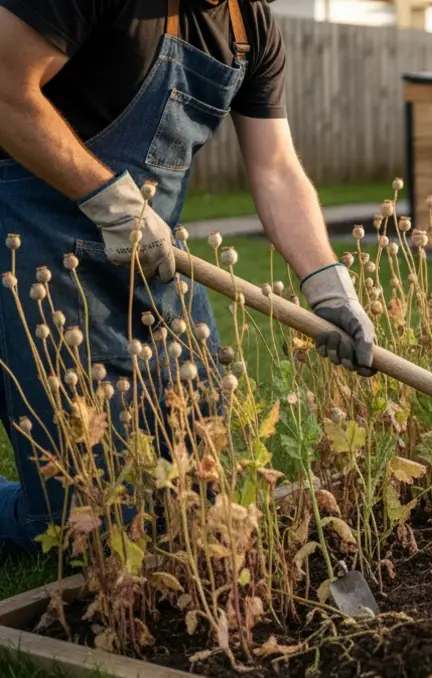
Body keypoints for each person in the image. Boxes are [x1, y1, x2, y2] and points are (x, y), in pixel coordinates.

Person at [0, 0, 377, 552]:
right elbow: (7, 91)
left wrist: (326, 281)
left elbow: (275, 166)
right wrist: (109, 200)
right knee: (95, 527)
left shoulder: (251, 26)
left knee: (198, 487)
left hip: (154, 257)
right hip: (32, 249)